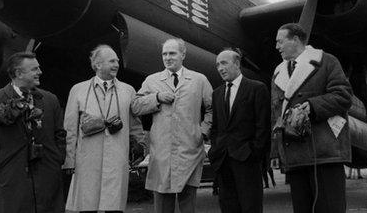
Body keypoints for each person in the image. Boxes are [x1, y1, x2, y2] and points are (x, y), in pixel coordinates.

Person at [271, 23, 352, 213]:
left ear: (296, 40)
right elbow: (275, 115)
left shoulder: (326, 61)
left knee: (330, 208)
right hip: (295, 156)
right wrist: (276, 151)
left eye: (280, 41)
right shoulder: (277, 72)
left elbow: (343, 96)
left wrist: (312, 106)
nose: (277, 47)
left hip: (324, 153)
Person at [0, 52, 66, 213]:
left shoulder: (50, 100)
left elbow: (60, 134)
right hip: (11, 178)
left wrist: (57, 159)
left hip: (47, 177)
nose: (40, 72)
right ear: (18, 73)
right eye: (34, 69)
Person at [131, 38, 212, 213]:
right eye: (164, 54)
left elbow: (212, 108)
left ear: (183, 54)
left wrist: (203, 132)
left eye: (172, 53)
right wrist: (157, 97)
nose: (167, 57)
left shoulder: (199, 80)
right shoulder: (152, 80)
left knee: (188, 204)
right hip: (161, 152)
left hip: (189, 150)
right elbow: (135, 106)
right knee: (162, 204)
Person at [63, 45, 146, 213]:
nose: (116, 64)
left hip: (117, 158)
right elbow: (69, 129)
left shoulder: (128, 90)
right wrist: (69, 160)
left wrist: (140, 147)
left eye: (117, 60)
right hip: (87, 160)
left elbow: (135, 125)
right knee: (88, 205)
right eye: (111, 61)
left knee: (113, 207)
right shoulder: (78, 90)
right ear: (97, 65)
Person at [208, 49, 270, 213]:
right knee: (228, 207)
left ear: (237, 64)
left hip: (247, 160)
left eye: (224, 63)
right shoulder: (216, 94)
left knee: (251, 206)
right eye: (217, 65)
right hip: (223, 160)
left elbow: (263, 126)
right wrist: (215, 151)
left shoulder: (257, 88)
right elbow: (216, 127)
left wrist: (254, 152)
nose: (220, 68)